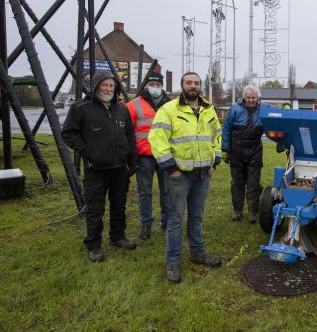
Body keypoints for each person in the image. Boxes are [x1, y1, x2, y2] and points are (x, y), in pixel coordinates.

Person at [148, 72, 222, 283]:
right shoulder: (168, 110)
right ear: (182, 85)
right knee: (175, 219)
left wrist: (214, 161)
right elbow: (157, 140)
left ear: (200, 86)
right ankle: (173, 262)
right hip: (179, 176)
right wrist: (171, 168)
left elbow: (217, 135)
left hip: (203, 175)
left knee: (196, 218)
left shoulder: (209, 110)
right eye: (189, 82)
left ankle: (198, 254)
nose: (193, 86)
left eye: (196, 83)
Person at [62, 71, 137, 262]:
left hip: (120, 167)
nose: (108, 89)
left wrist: (132, 159)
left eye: (112, 86)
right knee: (96, 208)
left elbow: (130, 135)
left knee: (119, 204)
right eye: (104, 85)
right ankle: (94, 245)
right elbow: (68, 134)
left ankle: (118, 236)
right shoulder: (81, 108)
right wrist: (87, 152)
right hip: (95, 168)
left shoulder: (121, 109)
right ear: (95, 86)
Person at [126, 71, 171, 240]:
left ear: (162, 86)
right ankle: (146, 224)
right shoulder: (133, 105)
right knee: (144, 192)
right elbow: (127, 132)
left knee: (167, 191)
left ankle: (166, 222)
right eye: (152, 85)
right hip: (143, 156)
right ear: (146, 86)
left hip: (165, 155)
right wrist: (131, 155)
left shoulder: (171, 106)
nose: (155, 88)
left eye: (158, 85)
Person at [222, 85, 274, 223]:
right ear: (244, 97)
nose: (251, 100)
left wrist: (286, 110)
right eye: (248, 97)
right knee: (237, 183)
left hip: (255, 150)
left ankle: (253, 212)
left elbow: (279, 115)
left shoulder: (265, 108)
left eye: (253, 98)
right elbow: (226, 129)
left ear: (258, 98)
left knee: (253, 183)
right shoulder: (234, 109)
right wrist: (225, 148)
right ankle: (237, 211)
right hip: (236, 150)